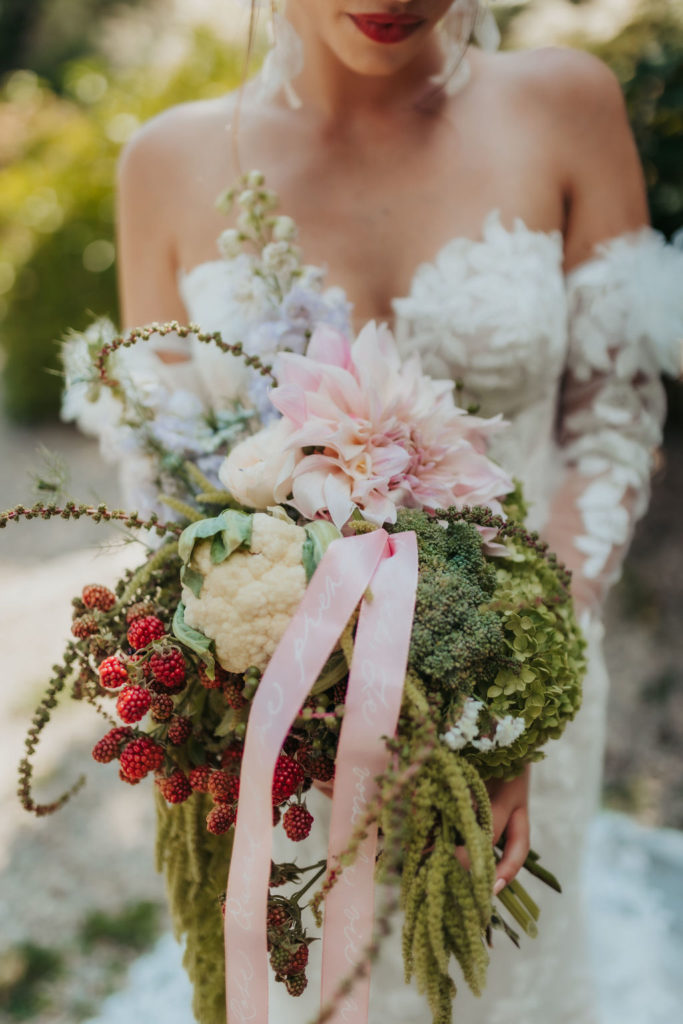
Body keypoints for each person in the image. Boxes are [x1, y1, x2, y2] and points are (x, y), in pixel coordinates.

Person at [114, 2, 683, 1021]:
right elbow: (165, 475)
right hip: (286, 725)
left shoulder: (567, 107)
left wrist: (511, 698)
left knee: (505, 983)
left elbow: (610, 415)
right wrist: (270, 691)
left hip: (527, 680)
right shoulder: (164, 162)